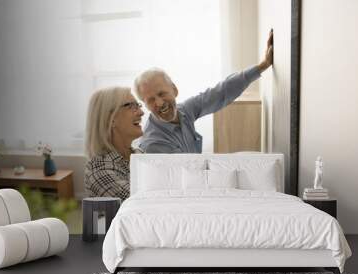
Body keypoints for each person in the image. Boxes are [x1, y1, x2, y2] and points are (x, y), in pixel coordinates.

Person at [134, 30, 274, 153]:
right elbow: (185, 177)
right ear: (145, 105)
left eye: (161, 94)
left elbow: (220, 92)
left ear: (175, 90)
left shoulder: (184, 111)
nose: (158, 103)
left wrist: (263, 65)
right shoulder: (153, 145)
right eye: (150, 100)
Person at [84, 87, 144, 200]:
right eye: (131, 106)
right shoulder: (100, 171)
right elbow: (143, 204)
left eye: (138, 105)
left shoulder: (138, 153)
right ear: (110, 119)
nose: (141, 112)